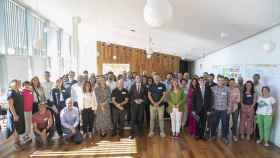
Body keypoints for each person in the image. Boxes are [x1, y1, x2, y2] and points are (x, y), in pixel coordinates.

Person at [210, 75, 230, 144]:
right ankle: (213, 135)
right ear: (217, 80)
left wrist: (229, 108)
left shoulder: (227, 89)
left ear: (224, 81)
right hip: (215, 109)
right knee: (214, 123)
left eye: (222, 80)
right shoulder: (213, 88)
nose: (221, 82)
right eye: (219, 80)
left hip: (224, 110)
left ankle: (224, 137)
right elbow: (209, 98)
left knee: (224, 124)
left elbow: (229, 99)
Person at [6, 80, 26, 148]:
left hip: (20, 113)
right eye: (16, 83)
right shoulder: (10, 92)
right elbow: (10, 105)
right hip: (15, 114)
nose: (18, 84)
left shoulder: (19, 92)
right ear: (12, 85)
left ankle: (18, 142)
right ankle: (16, 144)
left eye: (19, 83)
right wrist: (14, 115)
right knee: (15, 129)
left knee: (19, 128)